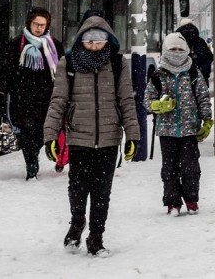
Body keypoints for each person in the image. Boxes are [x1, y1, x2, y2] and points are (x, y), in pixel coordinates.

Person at [42, 14, 140, 256]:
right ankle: (77, 224)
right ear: (81, 40)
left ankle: (96, 238)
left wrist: (133, 135)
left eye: (100, 41)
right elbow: (58, 101)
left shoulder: (117, 64)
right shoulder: (70, 63)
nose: (95, 46)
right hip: (79, 138)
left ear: (108, 40)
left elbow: (126, 100)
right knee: (77, 188)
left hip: (109, 139)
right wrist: (50, 136)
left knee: (101, 193)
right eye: (89, 41)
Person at [145, 32, 213, 216]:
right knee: (169, 168)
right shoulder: (158, 76)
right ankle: (173, 202)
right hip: (166, 131)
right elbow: (148, 99)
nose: (176, 52)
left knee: (191, 167)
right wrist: (157, 105)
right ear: (165, 50)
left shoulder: (193, 74)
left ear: (187, 51)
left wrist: (207, 121)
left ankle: (191, 199)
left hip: (190, 130)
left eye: (180, 49)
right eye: (172, 49)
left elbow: (203, 98)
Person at [0, 7, 64, 180]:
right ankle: (31, 164)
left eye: (42, 25)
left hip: (47, 99)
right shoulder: (17, 44)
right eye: (36, 24)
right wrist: (6, 89)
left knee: (42, 133)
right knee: (27, 134)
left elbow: (61, 71)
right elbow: (6, 70)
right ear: (29, 23)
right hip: (23, 99)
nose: (39, 28)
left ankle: (39, 155)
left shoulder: (54, 45)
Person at [176, 17, 214, 85]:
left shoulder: (177, 40)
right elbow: (209, 57)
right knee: (200, 94)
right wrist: (203, 71)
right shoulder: (200, 41)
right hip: (200, 78)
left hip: (181, 79)